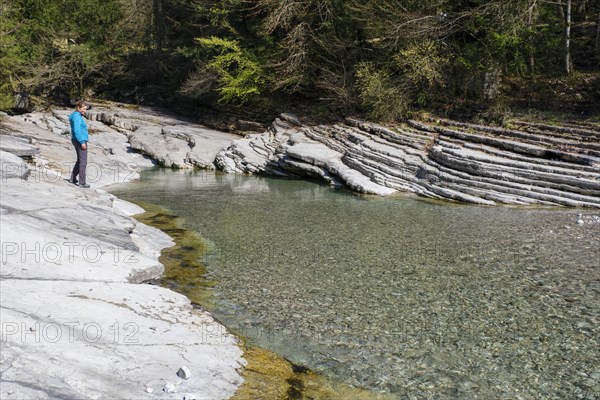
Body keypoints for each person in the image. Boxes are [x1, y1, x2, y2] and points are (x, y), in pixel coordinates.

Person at [69, 100, 90, 188]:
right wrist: (82, 142)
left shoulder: (75, 115)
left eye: (85, 109)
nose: (84, 111)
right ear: (78, 108)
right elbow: (77, 131)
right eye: (83, 109)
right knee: (83, 162)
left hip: (76, 140)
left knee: (79, 161)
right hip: (79, 140)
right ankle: (82, 182)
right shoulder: (77, 117)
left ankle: (73, 178)